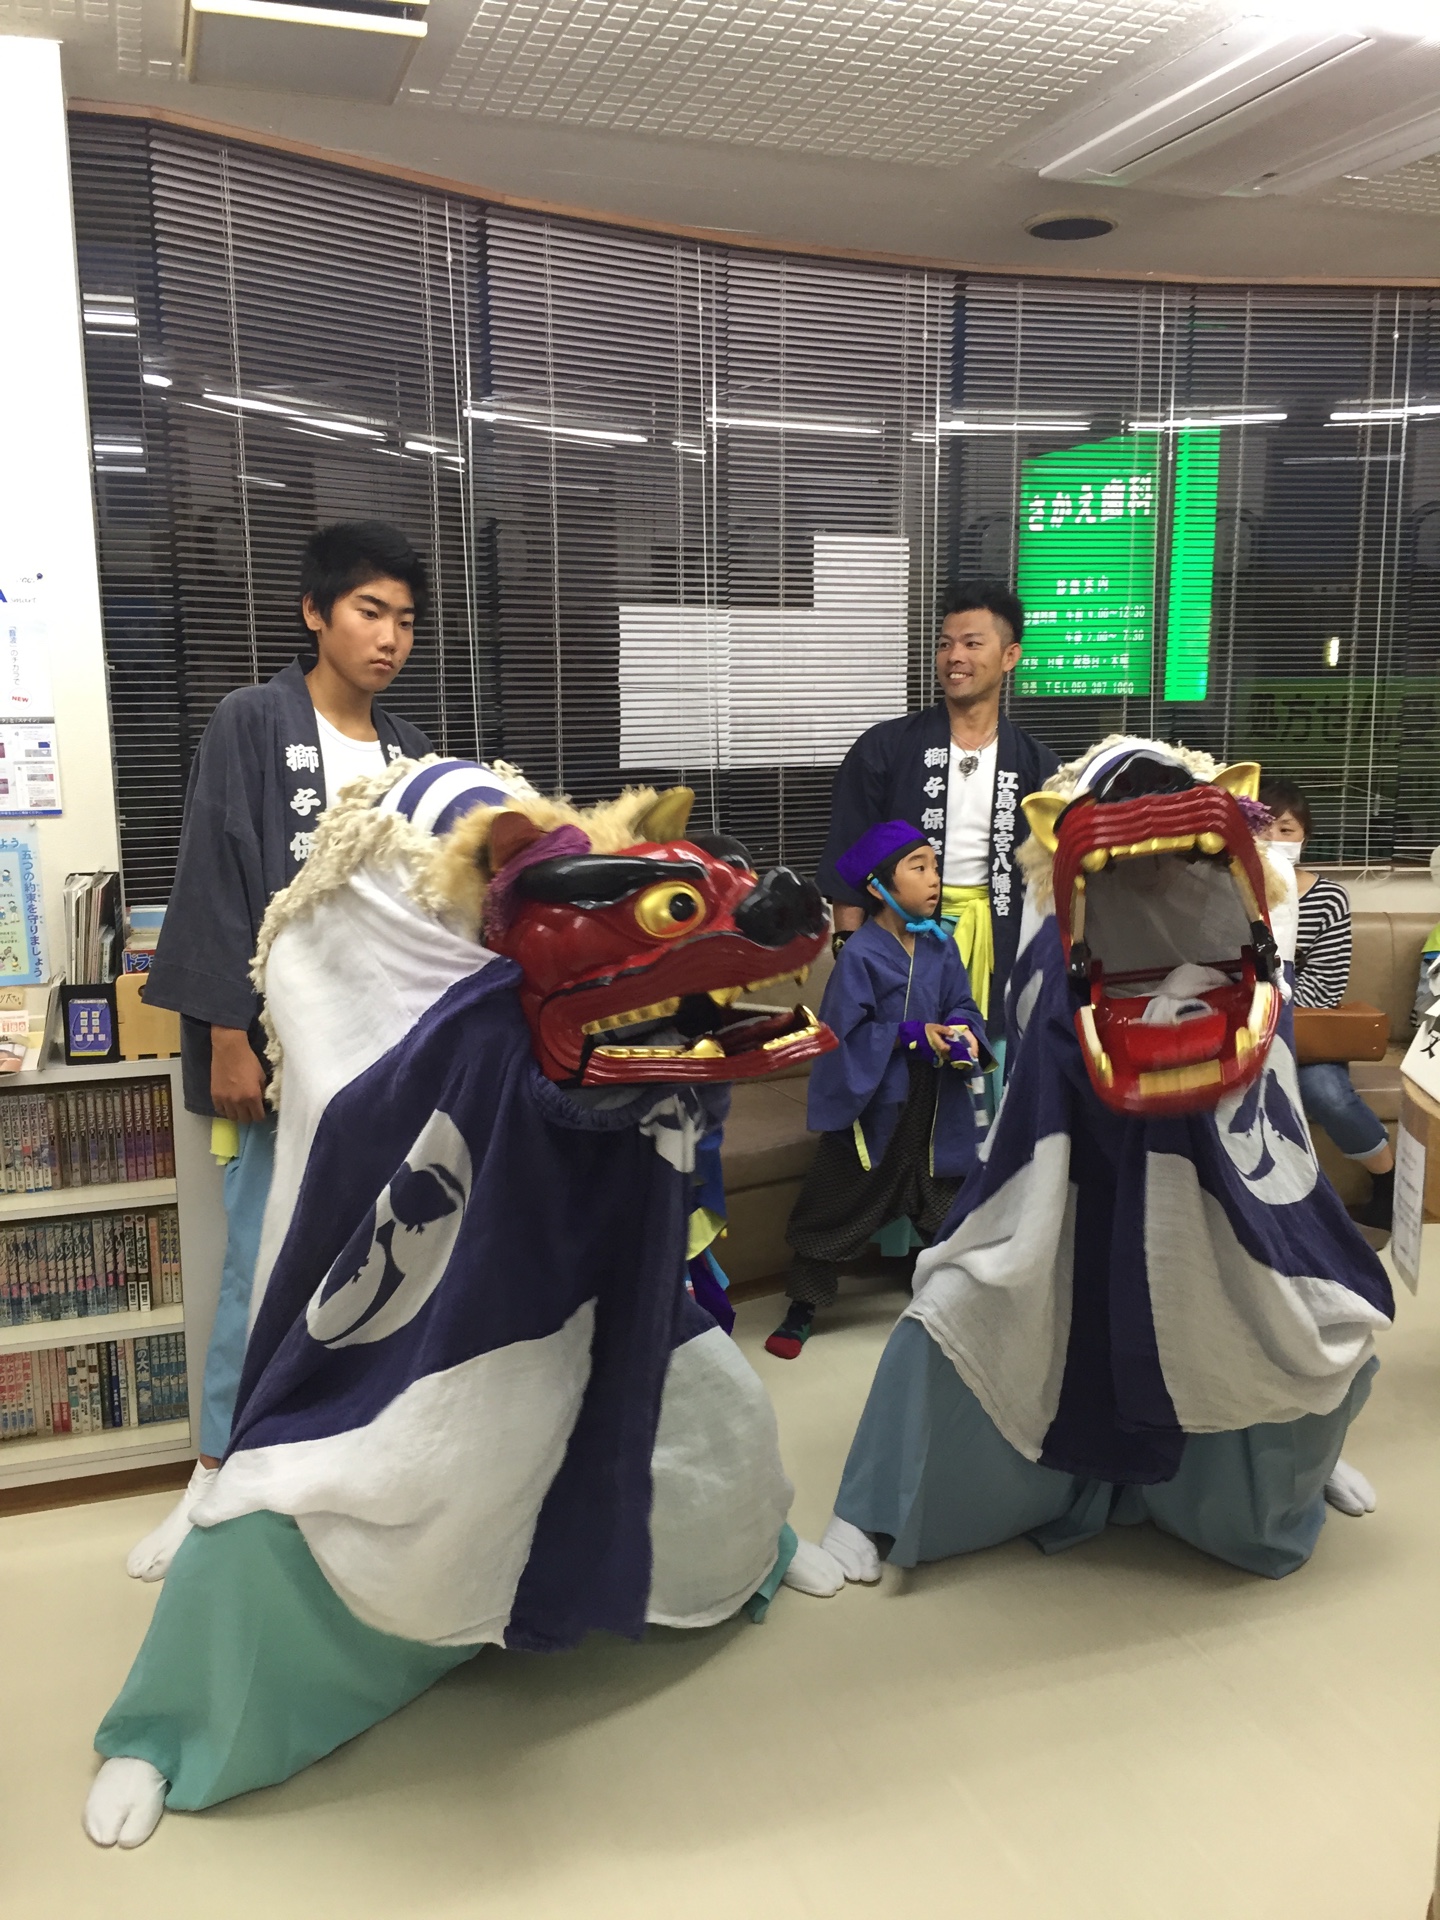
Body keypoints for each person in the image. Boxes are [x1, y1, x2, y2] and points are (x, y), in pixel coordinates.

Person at [83, 767, 845, 1851]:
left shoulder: (548, 980)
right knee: (280, 1509)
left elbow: (654, 1102)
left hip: (593, 1289)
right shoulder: (423, 1014)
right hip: (433, 1321)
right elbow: (366, 1165)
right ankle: (174, 1727)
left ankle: (753, 1550)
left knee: (721, 1416)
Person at [819, 739, 1392, 1590]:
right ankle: (876, 1501)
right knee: (958, 1305)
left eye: (1179, 856)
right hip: (1075, 1195)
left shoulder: (1250, 945)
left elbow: (1273, 1112)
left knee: (1307, 1323)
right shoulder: (1054, 953)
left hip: (1224, 1203)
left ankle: (1297, 1463)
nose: (1158, 875)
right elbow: (1035, 1081)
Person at [128, 522, 434, 1582]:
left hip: (382, 1054)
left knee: (381, 1264)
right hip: (278, 1053)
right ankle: (212, 1475)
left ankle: (346, 1462)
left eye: (405, 620)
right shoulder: (254, 722)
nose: (389, 638)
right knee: (260, 1264)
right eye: (368, 612)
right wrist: (227, 1037)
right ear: (315, 612)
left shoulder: (408, 749)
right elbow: (215, 874)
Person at [766, 822, 990, 1358]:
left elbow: (962, 1004)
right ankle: (803, 1305)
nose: (934, 879)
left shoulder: (940, 947)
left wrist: (963, 1032)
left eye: (935, 867)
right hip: (876, 1102)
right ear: (878, 887)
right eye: (919, 868)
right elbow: (841, 1036)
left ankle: (956, 1296)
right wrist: (909, 1035)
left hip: (933, 1102)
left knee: (946, 1198)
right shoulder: (860, 955)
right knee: (838, 1200)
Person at [817, 580, 1059, 1037]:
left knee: (988, 1057)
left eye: (972, 644)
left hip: (998, 936)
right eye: (945, 644)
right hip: (899, 938)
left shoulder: (1037, 765)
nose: (954, 657)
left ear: (1010, 656)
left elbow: (1051, 877)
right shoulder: (885, 748)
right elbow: (848, 857)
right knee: (905, 1060)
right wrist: (849, 951)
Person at [1259, 778, 1394, 1233]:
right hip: (1243, 1027)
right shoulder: (1230, 895)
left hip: (1302, 1028)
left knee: (1326, 1093)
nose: (1273, 839)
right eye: (1262, 828)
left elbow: (1326, 988)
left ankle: (1388, 1181)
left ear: (1305, 837)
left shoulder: (1328, 898)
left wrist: (1272, 1012)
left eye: (1285, 829)